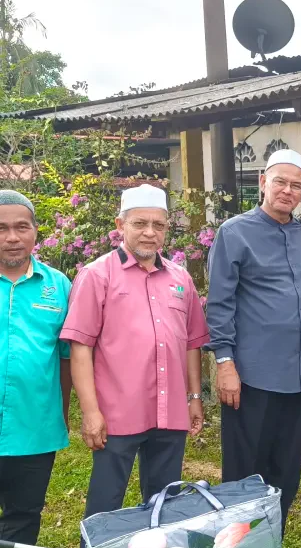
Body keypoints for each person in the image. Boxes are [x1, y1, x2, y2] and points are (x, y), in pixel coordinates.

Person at [206, 149, 301, 533]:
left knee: (286, 467)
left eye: (296, 185)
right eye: (280, 181)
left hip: (297, 375)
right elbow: (219, 304)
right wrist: (225, 364)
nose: (287, 190)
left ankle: (269, 543)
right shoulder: (234, 232)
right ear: (263, 181)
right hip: (251, 375)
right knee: (245, 467)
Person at [62, 185, 208, 524]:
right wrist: (90, 412)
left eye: (158, 225)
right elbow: (80, 347)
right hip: (117, 413)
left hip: (169, 410)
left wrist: (195, 396)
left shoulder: (180, 278)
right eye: (140, 223)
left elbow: (191, 342)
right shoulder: (97, 275)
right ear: (120, 225)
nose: (149, 233)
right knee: (105, 501)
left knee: (164, 502)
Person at [0, 191, 72, 548]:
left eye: (20, 227)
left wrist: (58, 411)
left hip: (34, 427)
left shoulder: (58, 287)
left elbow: (66, 359)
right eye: (2, 228)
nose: (12, 237)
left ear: (35, 232)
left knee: (23, 516)